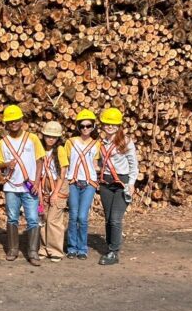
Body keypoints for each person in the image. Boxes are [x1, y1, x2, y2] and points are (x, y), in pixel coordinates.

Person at [0, 104, 45, 266]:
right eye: (10, 121)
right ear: (6, 124)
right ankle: (13, 249)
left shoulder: (32, 138)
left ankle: (33, 251)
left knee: (32, 218)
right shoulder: (3, 143)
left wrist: (37, 182)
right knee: (12, 218)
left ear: (22, 120)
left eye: (16, 120)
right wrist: (6, 164)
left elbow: (40, 160)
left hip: (29, 187)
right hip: (11, 188)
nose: (14, 123)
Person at [97, 108, 139, 266]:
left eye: (113, 124)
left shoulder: (126, 142)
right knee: (108, 219)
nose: (110, 126)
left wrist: (132, 183)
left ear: (119, 125)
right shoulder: (101, 143)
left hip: (121, 182)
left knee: (115, 219)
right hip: (106, 183)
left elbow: (133, 165)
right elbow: (101, 163)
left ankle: (114, 252)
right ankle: (110, 246)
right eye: (107, 123)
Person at [64, 109, 100, 260]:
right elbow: (65, 162)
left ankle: (82, 248)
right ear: (78, 127)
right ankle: (72, 247)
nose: (86, 129)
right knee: (73, 216)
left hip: (89, 183)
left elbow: (95, 164)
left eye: (89, 126)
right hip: (73, 181)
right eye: (83, 126)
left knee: (82, 217)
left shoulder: (96, 144)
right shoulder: (70, 142)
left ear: (93, 127)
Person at [38, 121, 69, 262]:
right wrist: (40, 194)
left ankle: (55, 250)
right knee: (43, 218)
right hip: (43, 186)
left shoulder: (60, 150)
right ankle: (44, 248)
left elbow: (62, 173)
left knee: (53, 220)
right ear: (43, 135)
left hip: (58, 185)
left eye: (54, 137)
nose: (51, 139)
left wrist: (55, 193)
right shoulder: (39, 149)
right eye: (48, 136)